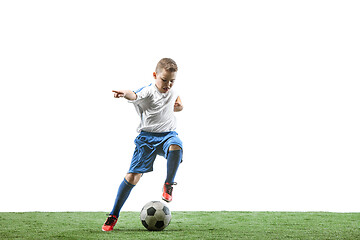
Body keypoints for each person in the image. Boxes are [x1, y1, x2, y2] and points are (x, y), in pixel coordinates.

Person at [102, 58, 184, 231]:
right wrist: (125, 93)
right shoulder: (148, 91)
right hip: (146, 138)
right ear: (155, 75)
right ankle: (113, 215)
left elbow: (175, 104)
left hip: (167, 135)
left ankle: (168, 184)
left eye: (172, 81)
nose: (168, 84)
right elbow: (134, 94)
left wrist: (179, 106)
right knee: (132, 177)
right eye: (164, 80)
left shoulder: (172, 91)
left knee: (176, 145)